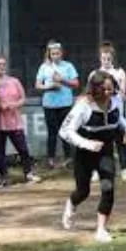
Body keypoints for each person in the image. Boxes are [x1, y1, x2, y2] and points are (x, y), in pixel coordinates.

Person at [60, 71, 126, 243]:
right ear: (95, 89)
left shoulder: (116, 101)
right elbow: (65, 131)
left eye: (111, 89)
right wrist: (87, 143)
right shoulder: (83, 106)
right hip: (84, 153)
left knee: (108, 188)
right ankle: (71, 205)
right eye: (104, 89)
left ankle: (101, 229)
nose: (108, 93)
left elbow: (119, 118)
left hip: (106, 151)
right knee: (82, 191)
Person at [0, 55, 41, 186]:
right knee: (0, 151)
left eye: (3, 64)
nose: (2, 67)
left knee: (23, 149)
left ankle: (29, 173)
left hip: (15, 121)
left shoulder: (14, 81)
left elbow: (22, 98)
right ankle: (4, 176)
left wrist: (15, 105)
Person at [88, 42, 126, 181]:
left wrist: (112, 96)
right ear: (100, 58)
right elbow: (90, 94)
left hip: (116, 113)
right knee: (99, 143)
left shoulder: (119, 72)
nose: (106, 61)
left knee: (121, 141)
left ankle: (124, 169)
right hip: (99, 115)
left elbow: (122, 93)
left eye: (108, 58)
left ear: (113, 58)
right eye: (103, 58)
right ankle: (96, 171)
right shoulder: (94, 74)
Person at [35, 40, 79, 169]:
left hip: (65, 103)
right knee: (52, 132)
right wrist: (49, 86)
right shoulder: (44, 67)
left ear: (61, 53)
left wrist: (63, 80)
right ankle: (50, 160)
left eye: (58, 53)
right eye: (53, 54)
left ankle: (69, 159)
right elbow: (37, 85)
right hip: (49, 104)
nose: (56, 56)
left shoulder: (68, 66)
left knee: (66, 131)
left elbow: (76, 83)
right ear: (49, 54)